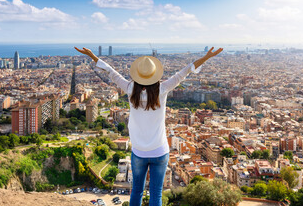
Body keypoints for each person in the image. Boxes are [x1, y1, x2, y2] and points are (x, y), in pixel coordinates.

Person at [74, 46, 223, 206]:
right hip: (159, 150)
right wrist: (206, 57)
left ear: (137, 76)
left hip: (139, 152)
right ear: (154, 75)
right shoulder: (163, 89)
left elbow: (110, 72)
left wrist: (92, 55)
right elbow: (184, 72)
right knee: (156, 194)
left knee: (136, 191)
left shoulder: (130, 89)